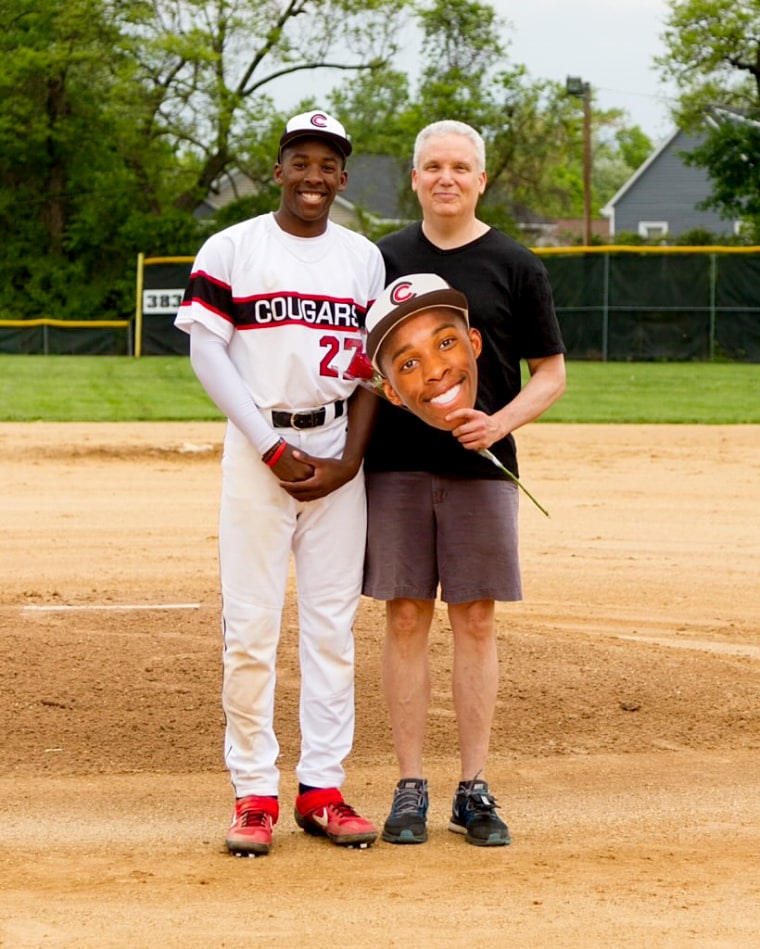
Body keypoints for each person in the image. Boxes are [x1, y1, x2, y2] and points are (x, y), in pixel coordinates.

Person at [175, 109, 385, 857]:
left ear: (343, 179)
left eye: (329, 165)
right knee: (253, 628)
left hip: (336, 450)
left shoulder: (363, 258)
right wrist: (268, 448)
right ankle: (255, 792)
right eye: (302, 160)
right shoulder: (233, 246)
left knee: (333, 629)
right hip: (259, 445)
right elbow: (208, 355)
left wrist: (351, 458)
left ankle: (322, 788)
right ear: (278, 169)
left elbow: (372, 369)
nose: (314, 177)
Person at [362, 120, 567, 848]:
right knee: (406, 616)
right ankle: (410, 784)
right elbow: (362, 362)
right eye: (432, 166)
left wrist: (498, 420)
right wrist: (382, 385)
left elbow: (552, 372)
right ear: (414, 179)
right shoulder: (379, 259)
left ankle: (473, 786)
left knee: (475, 619)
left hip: (481, 469)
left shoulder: (516, 264)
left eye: (460, 166)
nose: (445, 177)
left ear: (481, 180)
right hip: (396, 468)